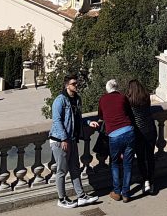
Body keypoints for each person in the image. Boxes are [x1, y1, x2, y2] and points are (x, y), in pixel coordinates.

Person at [48, 75, 100, 208]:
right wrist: (64, 138)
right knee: (62, 171)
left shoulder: (77, 99)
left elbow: (77, 119)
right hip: (60, 140)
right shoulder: (59, 100)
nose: (76, 85)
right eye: (73, 84)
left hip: (71, 139)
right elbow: (57, 120)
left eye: (76, 83)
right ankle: (61, 199)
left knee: (75, 169)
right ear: (67, 86)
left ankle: (81, 196)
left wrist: (89, 122)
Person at [92, 79, 136, 203]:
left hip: (114, 134)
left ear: (107, 89)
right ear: (117, 88)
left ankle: (117, 192)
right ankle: (126, 193)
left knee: (115, 163)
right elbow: (129, 114)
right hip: (128, 131)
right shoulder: (123, 98)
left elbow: (100, 116)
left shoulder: (103, 99)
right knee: (127, 164)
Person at [126, 78, 158, 195]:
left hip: (138, 132)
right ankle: (152, 180)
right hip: (150, 129)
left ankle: (145, 181)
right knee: (150, 157)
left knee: (140, 158)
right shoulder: (146, 97)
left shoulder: (129, 100)